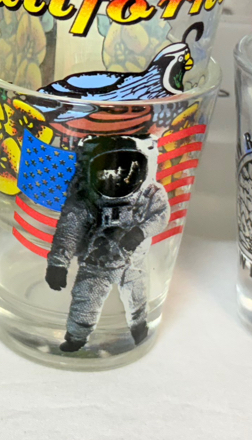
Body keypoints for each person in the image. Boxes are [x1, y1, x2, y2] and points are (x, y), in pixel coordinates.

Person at [44, 135, 169, 353]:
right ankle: (76, 337)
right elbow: (69, 231)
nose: (118, 178)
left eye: (127, 170)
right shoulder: (86, 201)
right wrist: (58, 263)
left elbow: (160, 215)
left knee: (138, 297)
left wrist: (139, 233)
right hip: (97, 260)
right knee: (86, 300)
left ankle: (139, 327)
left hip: (132, 260)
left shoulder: (149, 194)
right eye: (108, 171)